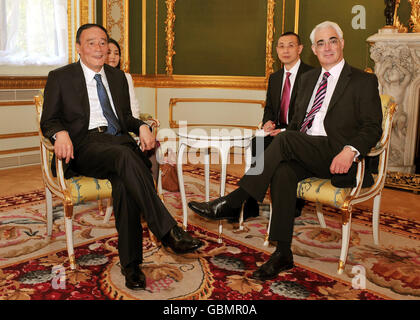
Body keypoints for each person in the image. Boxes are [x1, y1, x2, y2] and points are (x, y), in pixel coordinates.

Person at [188, 21, 383, 281]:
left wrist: (350, 150)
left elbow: (372, 128)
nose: (327, 47)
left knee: (285, 141)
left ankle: (236, 201)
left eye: (332, 40)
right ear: (314, 48)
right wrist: (284, 132)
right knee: (282, 171)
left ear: (342, 43)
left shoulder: (363, 80)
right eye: (321, 43)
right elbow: (298, 122)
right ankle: (282, 252)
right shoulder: (309, 78)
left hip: (337, 155)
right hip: (306, 149)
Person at [41, 24, 203, 290]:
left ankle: (131, 266)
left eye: (103, 42)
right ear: (78, 47)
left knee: (125, 182)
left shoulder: (117, 78)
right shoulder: (60, 77)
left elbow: (124, 116)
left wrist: (140, 125)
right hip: (84, 146)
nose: (98, 47)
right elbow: (49, 119)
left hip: (117, 145)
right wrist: (59, 133)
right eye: (91, 42)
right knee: (126, 157)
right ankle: (166, 230)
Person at [239, 32, 313, 222]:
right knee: (257, 143)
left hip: (299, 133)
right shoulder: (275, 77)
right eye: (281, 46)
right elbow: (270, 108)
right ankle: (251, 203)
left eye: (290, 45)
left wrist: (288, 131)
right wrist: (268, 122)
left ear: (300, 49)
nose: (285, 50)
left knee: (281, 151)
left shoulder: (312, 75)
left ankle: (294, 201)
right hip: (277, 129)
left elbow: (310, 114)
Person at [107, 38, 159, 183]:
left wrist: (136, 125)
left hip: (128, 123)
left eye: (116, 53)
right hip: (111, 130)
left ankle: (151, 188)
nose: (113, 56)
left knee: (153, 145)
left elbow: (133, 104)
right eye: (109, 52)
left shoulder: (125, 77)